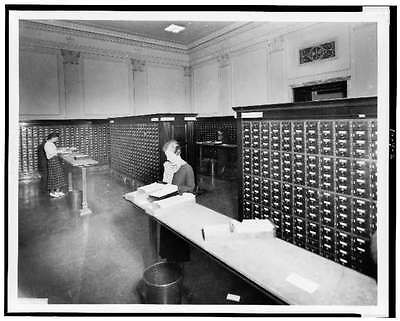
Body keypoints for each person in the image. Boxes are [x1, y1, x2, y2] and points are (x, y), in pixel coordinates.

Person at [159, 140, 195, 263]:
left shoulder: (187, 168)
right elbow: (165, 184)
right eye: (166, 156)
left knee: (178, 236)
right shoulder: (168, 166)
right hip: (168, 203)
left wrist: (176, 188)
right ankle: (168, 258)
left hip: (180, 207)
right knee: (167, 234)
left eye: (169, 155)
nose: (167, 158)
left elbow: (191, 188)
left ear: (178, 153)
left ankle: (179, 261)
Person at [44, 132, 66, 198]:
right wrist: (60, 151)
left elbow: (54, 150)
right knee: (54, 177)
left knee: (58, 176)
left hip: (55, 160)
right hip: (52, 161)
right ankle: (52, 192)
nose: (57, 140)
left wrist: (60, 150)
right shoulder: (47, 144)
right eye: (56, 138)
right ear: (52, 138)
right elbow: (51, 153)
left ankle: (57, 191)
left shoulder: (51, 144)